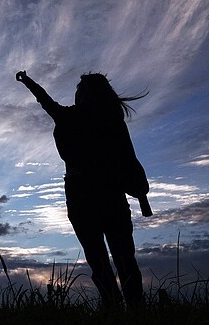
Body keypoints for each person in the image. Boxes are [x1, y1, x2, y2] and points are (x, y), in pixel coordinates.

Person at [15, 70, 149, 308]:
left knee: (104, 259)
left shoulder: (75, 117)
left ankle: (117, 306)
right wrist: (28, 82)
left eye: (81, 89)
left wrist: (28, 81)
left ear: (86, 93)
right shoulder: (111, 120)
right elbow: (129, 157)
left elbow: (45, 100)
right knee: (120, 257)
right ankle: (130, 307)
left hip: (86, 196)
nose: (78, 93)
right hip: (104, 195)